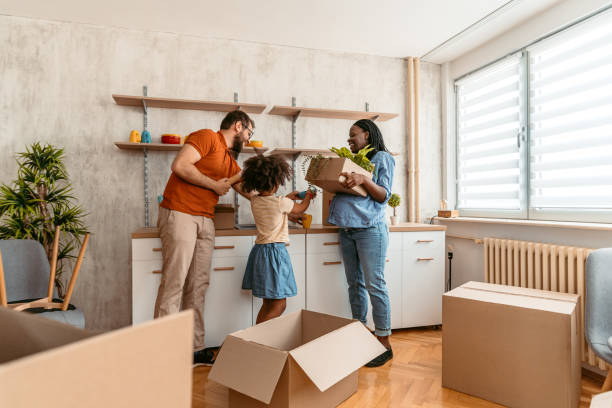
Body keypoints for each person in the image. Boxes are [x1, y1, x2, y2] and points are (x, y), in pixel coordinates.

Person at [154, 110, 254, 366]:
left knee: (198, 285)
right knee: (174, 283)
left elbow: (250, 193)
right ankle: (164, 351)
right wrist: (213, 185)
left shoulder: (230, 162)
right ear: (238, 125)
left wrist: (280, 198)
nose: (249, 139)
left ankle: (194, 347)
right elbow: (180, 165)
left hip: (205, 220)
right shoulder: (207, 137)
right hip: (179, 212)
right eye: (249, 133)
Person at [327, 119, 395, 367]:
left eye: (353, 135)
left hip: (370, 230)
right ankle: (360, 333)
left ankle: (384, 343)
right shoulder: (353, 161)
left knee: (374, 284)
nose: (349, 140)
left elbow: (383, 195)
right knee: (354, 284)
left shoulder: (382, 159)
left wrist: (363, 179)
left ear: (367, 134)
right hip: (347, 229)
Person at [240, 155, 314, 323]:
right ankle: (259, 338)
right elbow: (300, 209)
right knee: (279, 304)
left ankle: (257, 340)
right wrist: (308, 195)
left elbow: (275, 204)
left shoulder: (255, 200)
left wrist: (289, 197)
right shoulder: (281, 202)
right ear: (276, 181)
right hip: (275, 253)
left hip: (260, 252)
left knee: (268, 303)